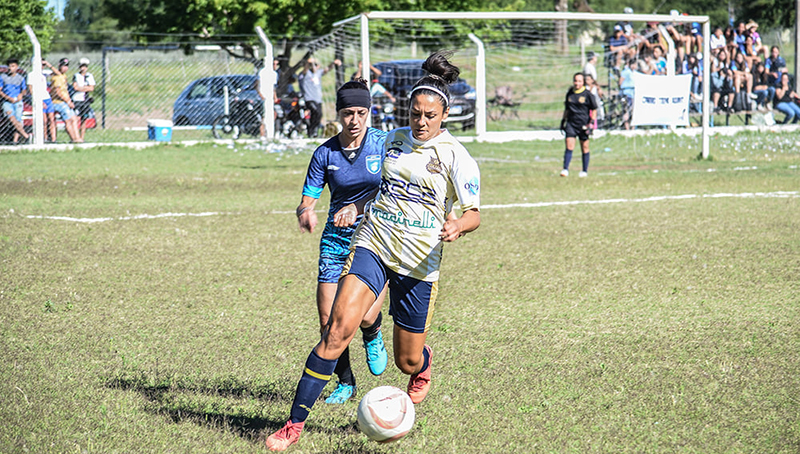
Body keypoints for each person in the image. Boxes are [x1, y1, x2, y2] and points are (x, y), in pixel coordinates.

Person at [265, 51, 481, 452]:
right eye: (415, 112)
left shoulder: (457, 158)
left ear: (444, 116)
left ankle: (423, 364)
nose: (420, 122)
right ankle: (293, 426)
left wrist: (457, 225)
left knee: (406, 361)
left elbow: (474, 214)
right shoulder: (393, 140)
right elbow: (381, 190)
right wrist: (356, 207)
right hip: (374, 244)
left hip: (418, 264)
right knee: (336, 329)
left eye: (429, 116)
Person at [295, 78, 390, 405]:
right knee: (328, 322)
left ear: (369, 112)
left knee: (362, 315)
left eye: (361, 112)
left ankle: (373, 333)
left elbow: (393, 190)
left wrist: (359, 207)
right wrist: (305, 212)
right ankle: (346, 381)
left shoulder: (382, 144)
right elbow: (307, 199)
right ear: (339, 113)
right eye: (348, 113)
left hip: (375, 237)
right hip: (336, 240)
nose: (355, 120)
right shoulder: (325, 153)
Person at [560, 73, 597, 178]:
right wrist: (563, 121)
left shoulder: (588, 94)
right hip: (571, 123)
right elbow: (567, 109)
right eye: (575, 81)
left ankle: (584, 171)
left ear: (583, 82)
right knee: (569, 146)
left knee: (584, 147)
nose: (577, 83)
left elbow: (594, 109)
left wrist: (591, 123)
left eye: (579, 81)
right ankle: (565, 169)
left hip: (583, 124)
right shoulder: (570, 93)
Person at [297, 56, 341, 138]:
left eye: (316, 65)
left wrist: (333, 63)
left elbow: (327, 69)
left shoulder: (318, 73)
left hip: (318, 99)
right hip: (309, 98)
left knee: (319, 115)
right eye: (312, 65)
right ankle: (311, 131)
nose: (314, 67)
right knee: (316, 112)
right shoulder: (306, 74)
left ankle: (313, 131)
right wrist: (308, 63)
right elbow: (304, 70)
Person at [50, 58, 83, 143]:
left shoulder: (63, 76)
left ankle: (77, 137)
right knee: (68, 120)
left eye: (66, 66)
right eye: (63, 66)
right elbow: (58, 93)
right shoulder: (57, 78)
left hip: (66, 101)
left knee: (74, 119)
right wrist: (68, 101)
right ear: (59, 66)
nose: (65, 68)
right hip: (59, 102)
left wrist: (69, 101)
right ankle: (73, 139)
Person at [0, 58, 31, 144]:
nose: (10, 68)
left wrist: (21, 95)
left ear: (16, 67)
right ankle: (26, 136)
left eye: (13, 66)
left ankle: (15, 140)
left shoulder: (20, 78)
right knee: (12, 118)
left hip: (17, 101)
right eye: (9, 66)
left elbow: (24, 90)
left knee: (18, 119)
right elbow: (0, 90)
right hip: (7, 102)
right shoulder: (3, 77)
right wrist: (7, 97)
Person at [71, 58, 96, 141]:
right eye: (82, 66)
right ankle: (76, 137)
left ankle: (82, 137)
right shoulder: (76, 76)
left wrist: (81, 88)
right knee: (75, 118)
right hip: (77, 99)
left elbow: (91, 88)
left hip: (85, 99)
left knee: (84, 119)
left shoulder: (89, 76)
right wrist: (85, 88)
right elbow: (75, 87)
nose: (83, 68)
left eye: (85, 66)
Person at [36, 60, 59, 142]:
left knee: (52, 119)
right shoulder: (34, 75)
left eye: (43, 65)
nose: (42, 66)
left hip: (47, 98)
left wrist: (49, 65)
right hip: (39, 98)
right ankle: (44, 138)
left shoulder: (44, 73)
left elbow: (57, 73)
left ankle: (53, 139)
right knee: (44, 121)